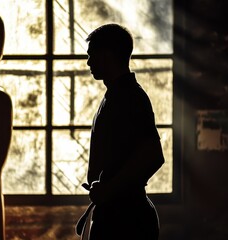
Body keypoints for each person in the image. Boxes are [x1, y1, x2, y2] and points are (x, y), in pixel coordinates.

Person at [75, 23, 165, 240]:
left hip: (127, 220)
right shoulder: (115, 96)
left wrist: (108, 190)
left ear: (106, 55)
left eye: (91, 55)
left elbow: (153, 156)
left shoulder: (130, 98)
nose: (88, 62)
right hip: (116, 213)